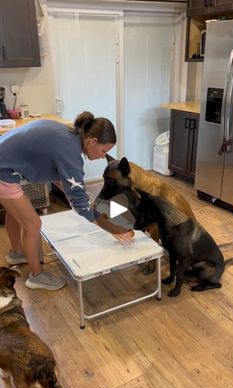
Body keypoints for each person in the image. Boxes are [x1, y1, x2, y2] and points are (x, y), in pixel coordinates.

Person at [0, 111, 133, 291]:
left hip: (4, 162)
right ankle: (37, 276)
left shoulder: (68, 134)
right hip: (3, 172)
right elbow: (79, 201)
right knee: (33, 225)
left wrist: (84, 203)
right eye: (104, 151)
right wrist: (111, 228)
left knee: (15, 212)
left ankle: (17, 253)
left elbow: (66, 183)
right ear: (92, 141)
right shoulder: (70, 153)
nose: (103, 156)